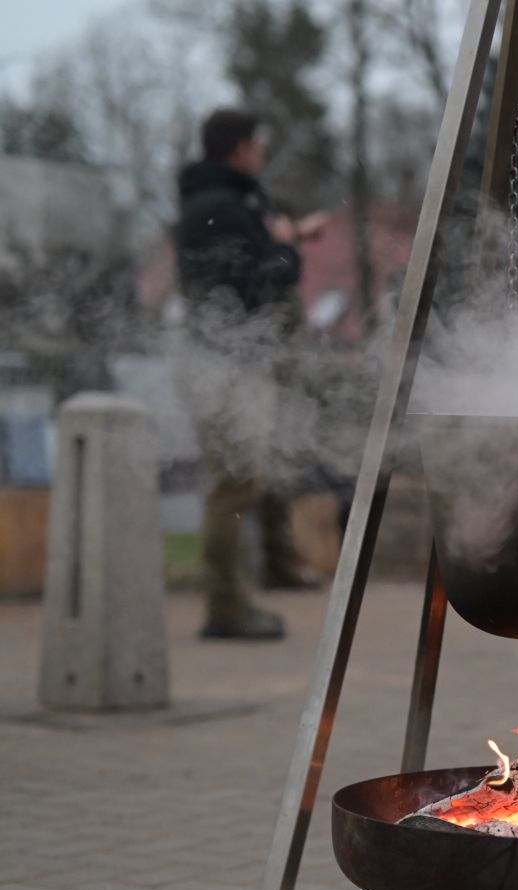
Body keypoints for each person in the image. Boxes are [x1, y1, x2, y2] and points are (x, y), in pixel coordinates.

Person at [175, 108, 324, 640]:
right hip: (226, 368)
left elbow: (236, 271)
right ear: (240, 148)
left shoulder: (216, 203)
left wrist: (285, 238)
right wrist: (284, 246)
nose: (260, 153)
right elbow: (250, 286)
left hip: (224, 365)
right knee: (234, 487)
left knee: (240, 483)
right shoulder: (221, 206)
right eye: (256, 144)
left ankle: (235, 599)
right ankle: (226, 608)